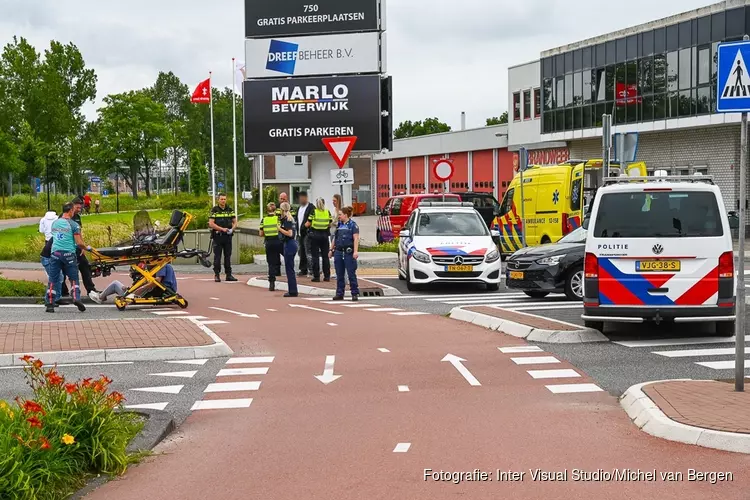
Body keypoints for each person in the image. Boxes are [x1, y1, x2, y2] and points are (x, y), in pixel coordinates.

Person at [45, 202, 91, 313]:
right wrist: (86, 248)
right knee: (73, 278)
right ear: (70, 211)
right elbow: (79, 243)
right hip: (69, 254)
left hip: (55, 254)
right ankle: (76, 298)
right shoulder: (74, 225)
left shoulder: (55, 223)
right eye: (74, 209)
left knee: (53, 279)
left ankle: (50, 303)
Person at [330, 206, 360, 301]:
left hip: (348, 252)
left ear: (345, 215)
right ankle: (339, 293)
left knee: (351, 273)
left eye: (340, 214)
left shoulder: (353, 225)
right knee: (339, 274)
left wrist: (355, 251)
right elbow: (335, 238)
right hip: (339, 251)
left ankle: (354, 293)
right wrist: (331, 249)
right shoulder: (339, 225)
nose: (339, 216)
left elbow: (356, 239)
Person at [71, 198, 100, 298]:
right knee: (65, 270)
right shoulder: (65, 217)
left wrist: (82, 246)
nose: (79, 209)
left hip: (77, 247)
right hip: (69, 248)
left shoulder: (78, 217)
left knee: (85, 266)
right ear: (72, 205)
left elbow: (79, 233)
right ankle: (64, 291)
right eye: (77, 207)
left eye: (81, 207)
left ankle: (90, 289)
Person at [39, 210, 69, 301]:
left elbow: (41, 230)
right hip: (48, 257)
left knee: (60, 277)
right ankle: (49, 300)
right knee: (55, 278)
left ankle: (57, 298)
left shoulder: (44, 220)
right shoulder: (59, 235)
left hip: (50, 254)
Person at [208, 193, 238, 282]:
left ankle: (228, 274)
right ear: (218, 200)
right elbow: (211, 223)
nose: (223, 201)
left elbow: (235, 222)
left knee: (228, 256)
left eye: (224, 199)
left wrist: (232, 229)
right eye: (221, 199)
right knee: (217, 257)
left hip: (228, 237)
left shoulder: (230, 209)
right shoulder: (215, 210)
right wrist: (222, 229)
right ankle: (217, 275)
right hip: (218, 236)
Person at [308, 197, 332, 282]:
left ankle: (316, 276)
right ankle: (327, 276)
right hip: (325, 236)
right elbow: (330, 223)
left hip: (315, 236)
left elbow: (308, 223)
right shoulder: (327, 212)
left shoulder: (313, 212)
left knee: (315, 257)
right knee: (325, 257)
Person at [259, 202, 283, 291]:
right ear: (275, 210)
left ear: (267, 210)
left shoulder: (264, 220)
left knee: (271, 263)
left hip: (269, 242)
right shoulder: (278, 219)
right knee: (288, 257)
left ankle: (272, 283)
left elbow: (261, 233)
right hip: (278, 241)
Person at [277, 202, 298, 298]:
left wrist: (279, 229)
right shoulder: (291, 219)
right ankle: (292, 289)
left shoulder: (287, 220)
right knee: (290, 268)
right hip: (292, 244)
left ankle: (292, 291)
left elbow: (289, 233)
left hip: (289, 244)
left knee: (289, 269)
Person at [296, 191, 314, 277]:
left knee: (308, 252)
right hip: (300, 233)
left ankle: (311, 269)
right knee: (301, 252)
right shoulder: (299, 208)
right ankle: (303, 269)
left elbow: (310, 220)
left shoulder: (311, 207)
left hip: (307, 233)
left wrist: (304, 227)